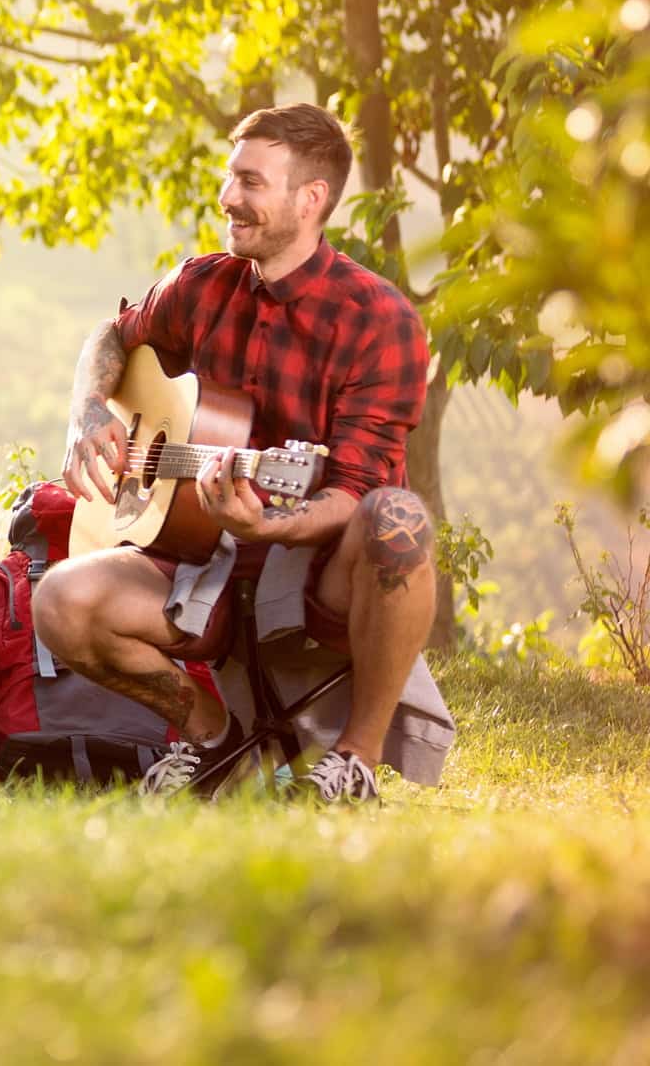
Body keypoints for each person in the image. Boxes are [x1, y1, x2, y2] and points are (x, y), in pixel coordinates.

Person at [33, 103, 436, 804]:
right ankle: (214, 742)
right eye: (231, 178)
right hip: (202, 556)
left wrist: (266, 526)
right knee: (61, 602)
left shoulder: (382, 321)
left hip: (319, 573)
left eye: (251, 183)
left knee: (397, 517)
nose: (228, 198)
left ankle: (355, 764)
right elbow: (113, 336)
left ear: (310, 199)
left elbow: (349, 493)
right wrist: (88, 411)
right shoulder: (202, 283)